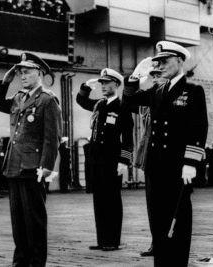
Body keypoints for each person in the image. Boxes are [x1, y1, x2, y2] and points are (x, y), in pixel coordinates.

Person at [123, 41, 208, 267]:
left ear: (179, 61)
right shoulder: (156, 91)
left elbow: (199, 128)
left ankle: (178, 262)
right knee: (157, 220)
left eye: (165, 61)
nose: (160, 66)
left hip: (177, 166)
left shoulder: (192, 91)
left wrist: (191, 162)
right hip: (155, 166)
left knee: (177, 218)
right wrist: (134, 77)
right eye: (157, 62)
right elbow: (129, 102)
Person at [0, 52, 62, 267]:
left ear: (39, 73)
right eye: (20, 72)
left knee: (34, 220)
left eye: (27, 71)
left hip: (33, 167)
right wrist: (4, 82)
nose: (22, 76)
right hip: (14, 165)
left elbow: (52, 137)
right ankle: (20, 260)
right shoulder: (18, 98)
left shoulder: (47, 100)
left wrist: (47, 167)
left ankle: (36, 262)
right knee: (18, 220)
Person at [76, 68, 134, 252]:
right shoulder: (99, 105)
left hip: (112, 160)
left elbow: (128, 137)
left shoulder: (122, 107)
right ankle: (102, 239)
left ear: (116, 85)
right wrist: (86, 86)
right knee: (99, 200)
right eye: (101, 83)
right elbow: (81, 100)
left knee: (112, 200)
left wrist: (124, 161)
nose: (103, 86)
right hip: (96, 159)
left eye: (107, 83)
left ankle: (112, 240)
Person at [132, 68, 166, 257]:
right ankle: (156, 241)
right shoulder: (148, 100)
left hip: (168, 158)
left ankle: (168, 241)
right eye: (153, 76)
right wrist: (135, 78)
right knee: (152, 205)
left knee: (166, 204)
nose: (155, 79)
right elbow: (128, 101)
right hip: (151, 156)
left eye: (159, 75)